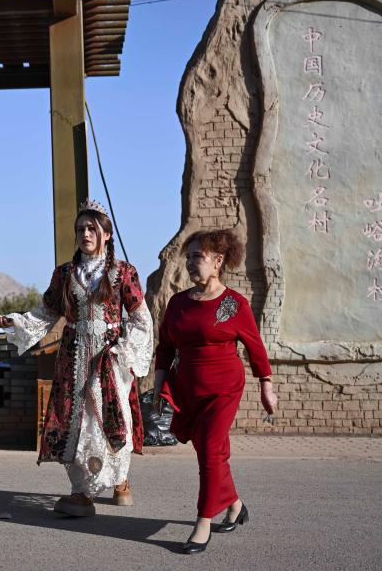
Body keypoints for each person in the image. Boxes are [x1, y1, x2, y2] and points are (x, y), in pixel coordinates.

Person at [0, 199, 153, 517]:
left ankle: (119, 478)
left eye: (92, 228)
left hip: (110, 357)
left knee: (112, 417)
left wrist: (124, 351)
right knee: (77, 422)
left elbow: (141, 318)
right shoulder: (65, 273)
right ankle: (81, 491)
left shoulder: (123, 272)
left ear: (107, 234)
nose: (85, 234)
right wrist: (15, 321)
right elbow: (46, 313)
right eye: (80, 229)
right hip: (74, 357)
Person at [153, 229, 278, 554]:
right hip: (188, 388)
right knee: (213, 455)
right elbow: (165, 348)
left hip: (224, 388)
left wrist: (266, 385)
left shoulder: (234, 304)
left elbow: (255, 347)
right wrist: (158, 385)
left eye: (198, 256)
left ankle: (203, 522)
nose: (190, 263)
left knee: (209, 450)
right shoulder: (178, 303)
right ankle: (235, 506)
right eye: (189, 257)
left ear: (218, 261)